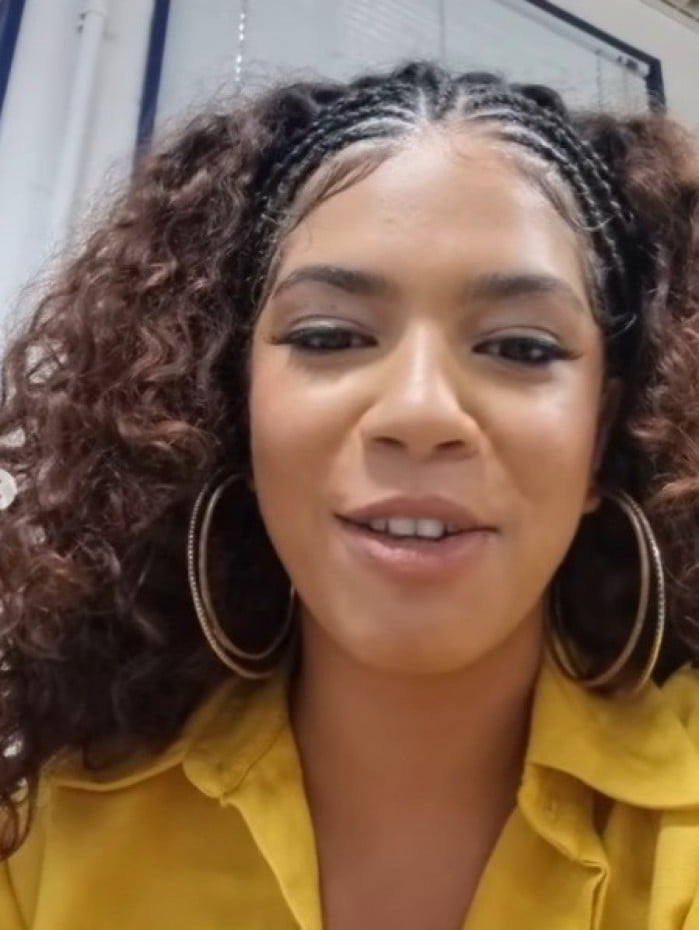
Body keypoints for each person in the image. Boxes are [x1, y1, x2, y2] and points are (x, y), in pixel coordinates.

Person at [1, 59, 699, 930]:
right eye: (329, 335)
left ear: (600, 436)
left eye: (521, 348)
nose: (419, 412)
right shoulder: (45, 835)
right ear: (232, 407)